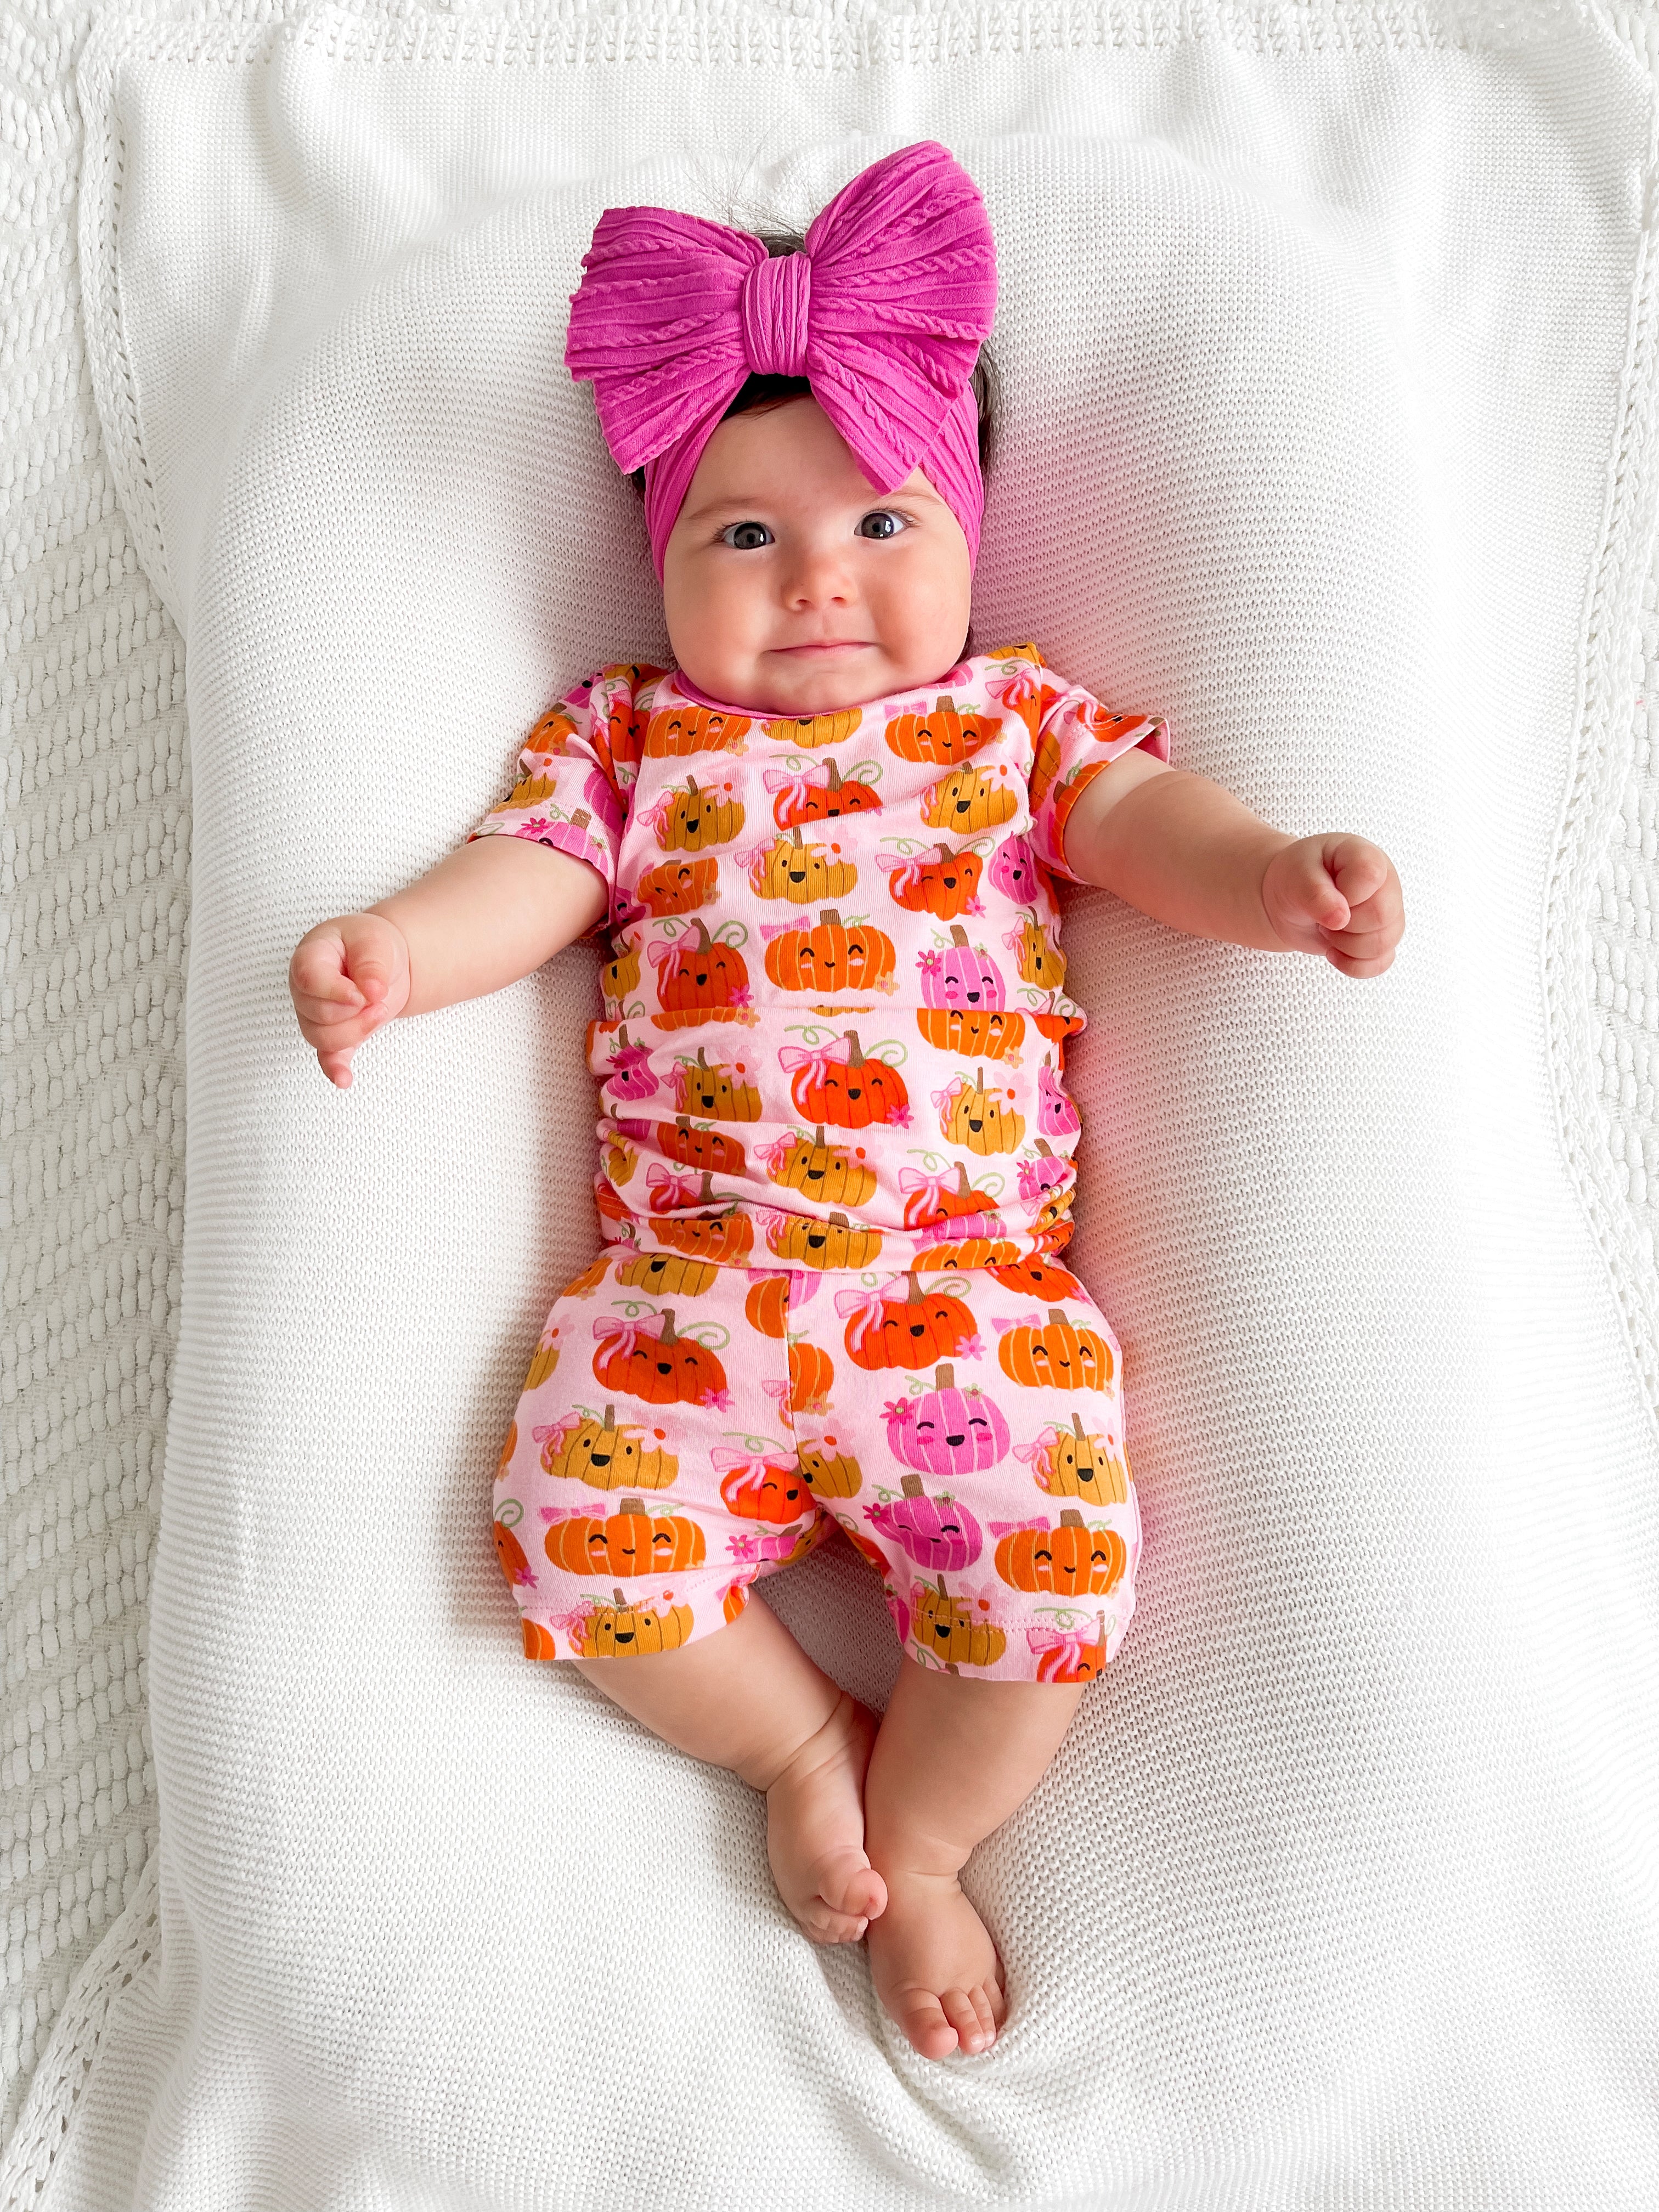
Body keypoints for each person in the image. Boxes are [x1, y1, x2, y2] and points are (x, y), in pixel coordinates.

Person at [289, 142, 1404, 2061]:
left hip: (962, 1289)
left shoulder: (1009, 726)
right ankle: (804, 1742)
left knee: (1050, 1579)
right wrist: (399, 946)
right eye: (743, 539)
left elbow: (1149, 832)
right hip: (684, 1296)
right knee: (567, 1523)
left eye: (883, 525)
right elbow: (529, 878)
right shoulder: (632, 740)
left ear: (968, 534)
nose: (818, 578)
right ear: (660, 559)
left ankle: (936, 1835)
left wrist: (1280, 879)